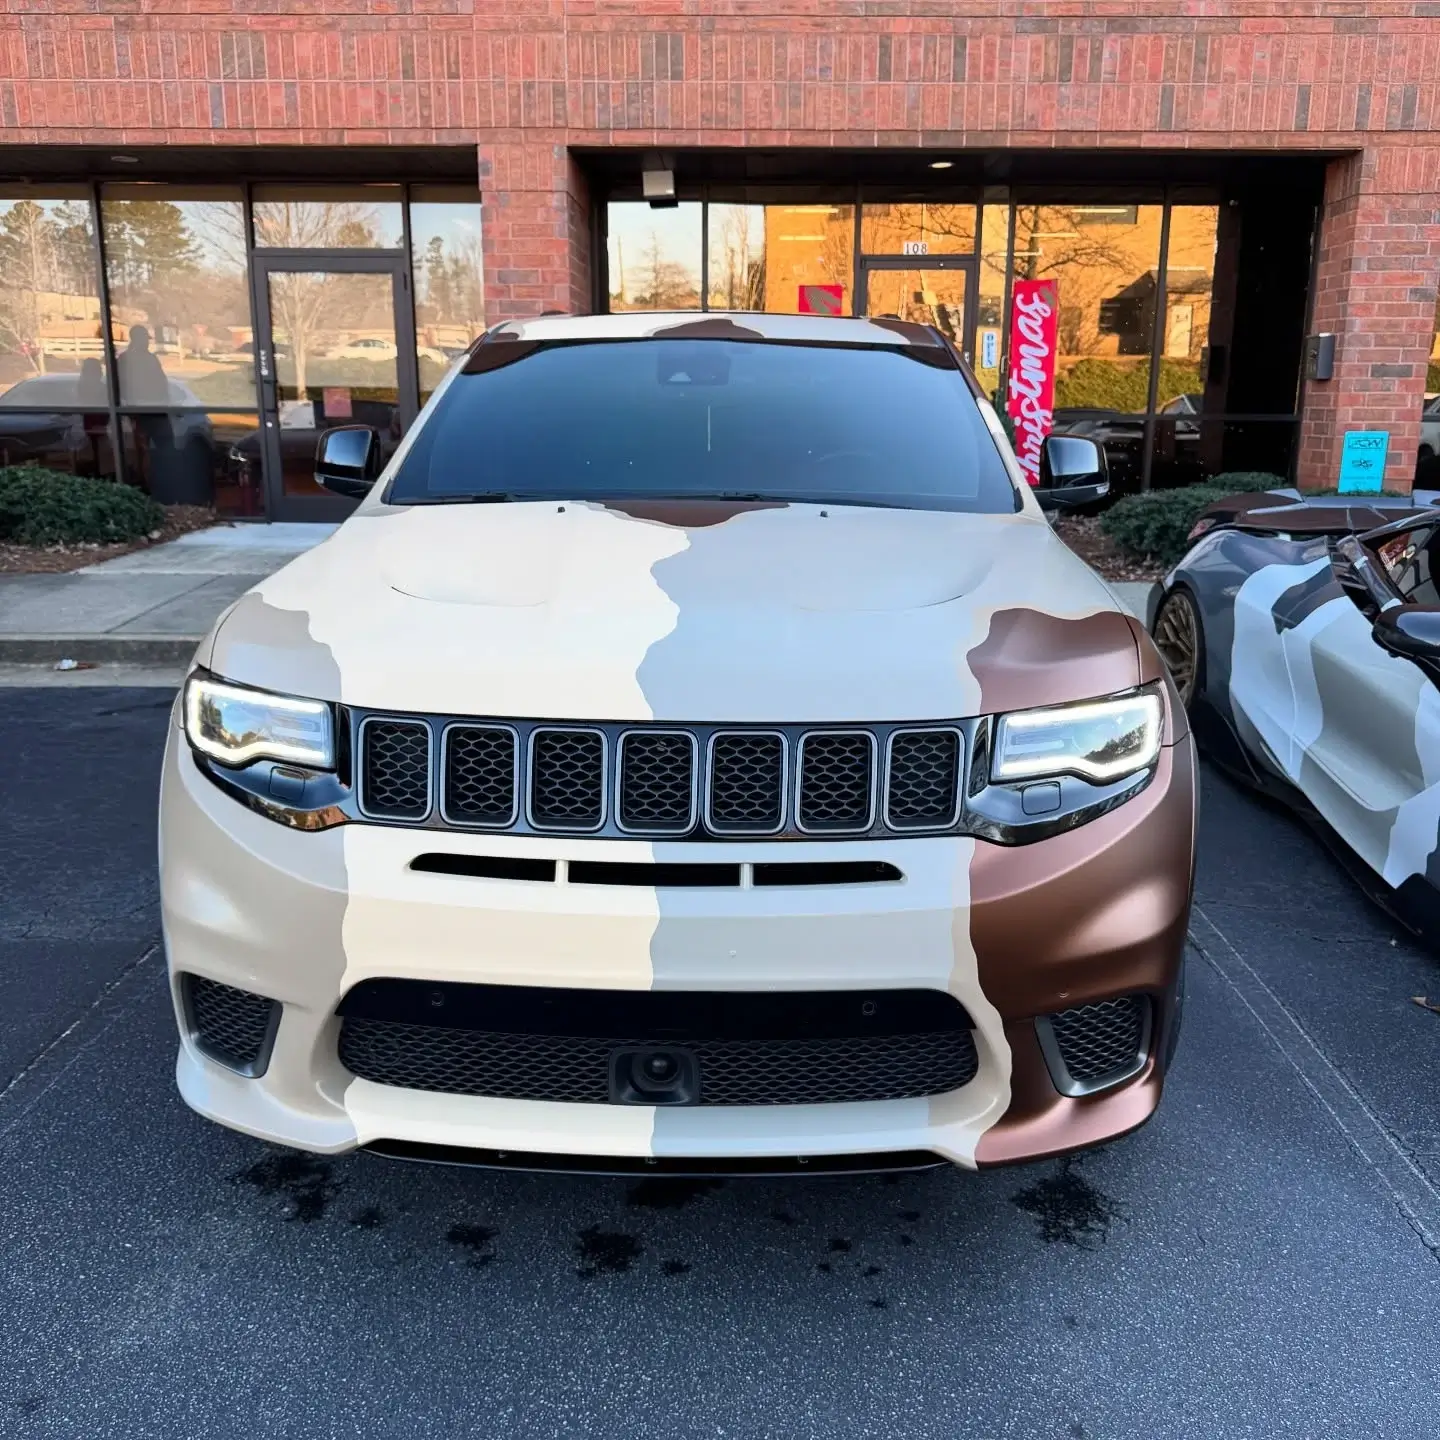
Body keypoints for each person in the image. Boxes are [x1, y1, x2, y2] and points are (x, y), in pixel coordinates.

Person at [118, 326, 173, 493]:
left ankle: (163, 481)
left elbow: (161, 381)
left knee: (165, 447)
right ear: (135, 338)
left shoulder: (150, 358)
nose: (147, 342)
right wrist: (129, 409)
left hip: (157, 409)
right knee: (142, 450)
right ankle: (145, 484)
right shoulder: (125, 359)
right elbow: (121, 385)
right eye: (144, 338)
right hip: (139, 412)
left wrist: (164, 401)